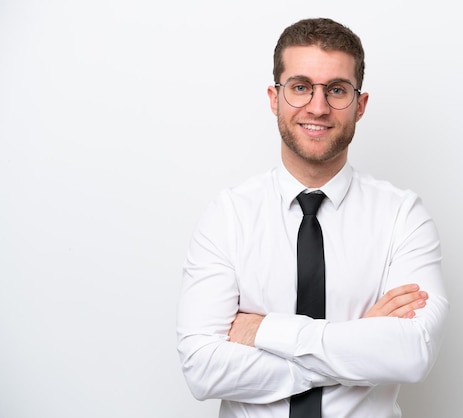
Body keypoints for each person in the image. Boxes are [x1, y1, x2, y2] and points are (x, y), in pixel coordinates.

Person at [177, 17, 448, 418]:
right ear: (274, 98)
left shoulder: (402, 216)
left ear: (360, 104)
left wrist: (265, 331)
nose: (317, 107)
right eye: (300, 87)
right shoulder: (229, 216)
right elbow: (202, 370)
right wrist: (358, 343)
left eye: (336, 90)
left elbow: (412, 353)